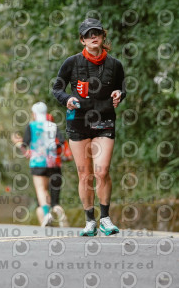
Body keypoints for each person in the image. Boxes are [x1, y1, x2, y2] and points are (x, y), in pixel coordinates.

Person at [52, 18, 126, 236]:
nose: (93, 37)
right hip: (78, 121)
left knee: (102, 171)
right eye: (88, 34)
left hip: (104, 121)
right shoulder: (71, 63)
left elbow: (121, 88)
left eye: (97, 33)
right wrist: (66, 98)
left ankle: (105, 218)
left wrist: (119, 94)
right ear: (82, 40)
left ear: (103, 37)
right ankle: (89, 221)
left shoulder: (115, 65)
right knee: (85, 175)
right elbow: (57, 88)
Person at [11, 102, 65, 227]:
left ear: (34, 114)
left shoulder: (31, 125)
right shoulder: (53, 125)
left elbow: (25, 144)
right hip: (53, 163)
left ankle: (46, 214)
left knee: (41, 189)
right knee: (50, 190)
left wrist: (17, 142)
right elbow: (62, 141)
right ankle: (56, 214)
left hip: (38, 163)